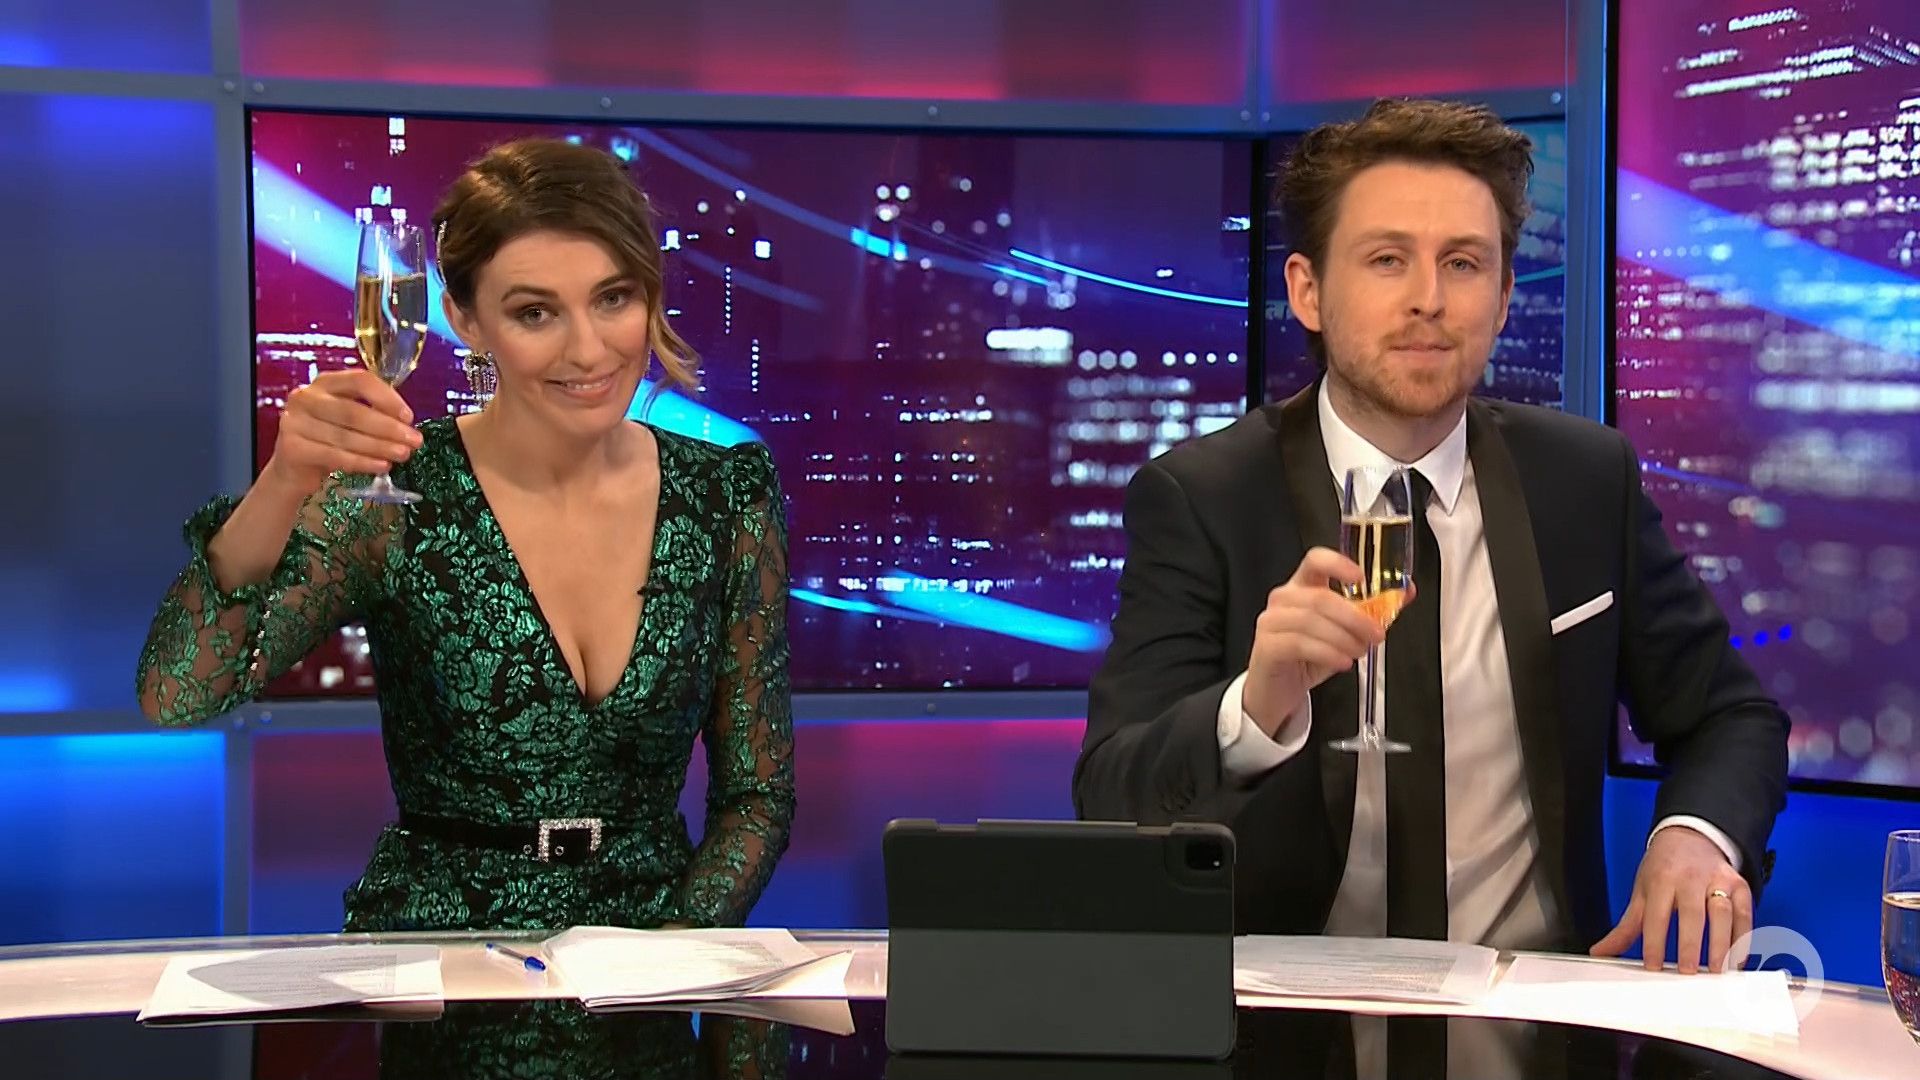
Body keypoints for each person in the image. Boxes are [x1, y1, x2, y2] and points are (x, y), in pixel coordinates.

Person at [1073, 99, 1788, 973]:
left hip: (1538, 1014)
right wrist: (1252, 709)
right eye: (1387, 260)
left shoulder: (1583, 482)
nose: (1429, 299)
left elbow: (1730, 715)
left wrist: (1695, 833)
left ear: (1504, 295)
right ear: (1307, 291)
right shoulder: (1204, 498)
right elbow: (1110, 798)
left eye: (1463, 262)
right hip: (1284, 1020)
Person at [136, 138, 794, 932]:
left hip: (649, 960)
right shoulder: (396, 497)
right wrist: (282, 483)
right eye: (535, 312)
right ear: (464, 319)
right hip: (439, 952)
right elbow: (177, 695)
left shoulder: (727, 495)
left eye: (613, 298)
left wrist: (675, 951)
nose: (589, 349)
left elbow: (757, 797)